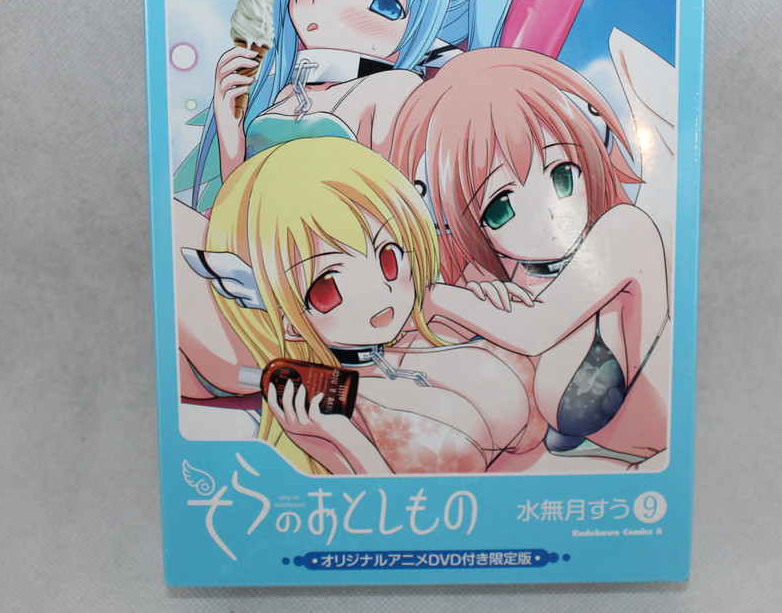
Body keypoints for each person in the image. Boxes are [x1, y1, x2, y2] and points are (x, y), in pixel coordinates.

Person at [184, 136, 542, 475]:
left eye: (388, 257)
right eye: (327, 288)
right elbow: (381, 500)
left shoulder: (431, 321)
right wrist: (333, 439)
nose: (379, 291)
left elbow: (534, 340)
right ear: (287, 320)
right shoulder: (325, 405)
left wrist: (456, 302)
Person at [391, 48, 671, 468]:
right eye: (500, 207)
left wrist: (437, 298)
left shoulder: (624, 233)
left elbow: (534, 329)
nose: (546, 214)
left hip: (651, 469)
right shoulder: (503, 270)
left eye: (562, 174)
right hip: (558, 471)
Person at [185, 0, 516, 211]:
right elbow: (240, 206)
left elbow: (398, 216)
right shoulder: (284, 89)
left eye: (383, 0)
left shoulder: (394, 89)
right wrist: (230, 129)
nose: (333, 8)